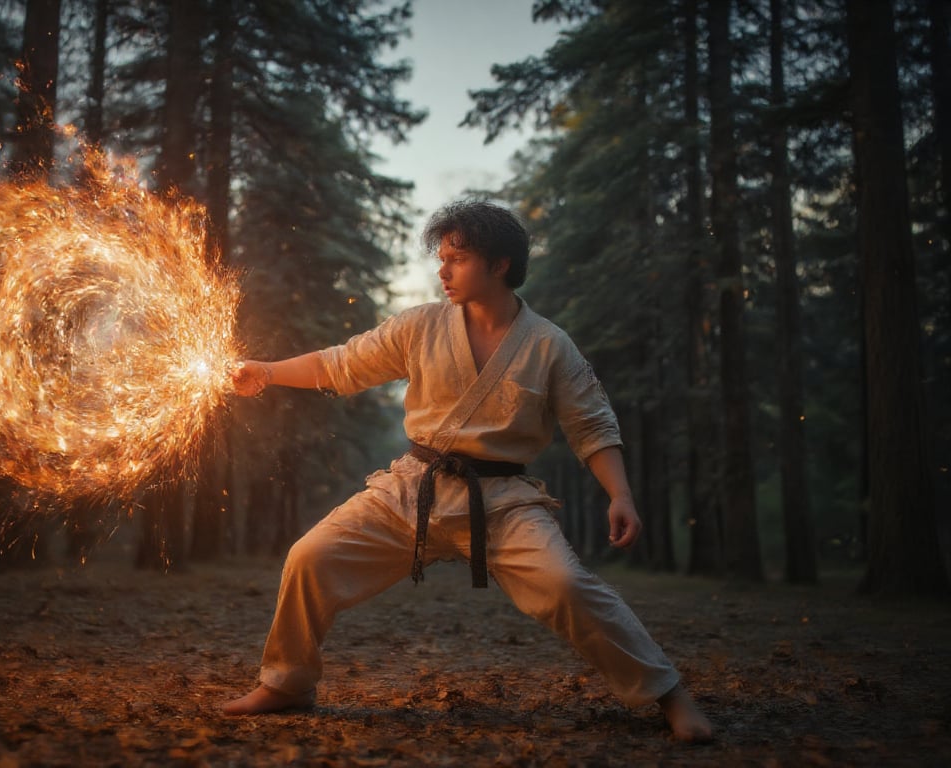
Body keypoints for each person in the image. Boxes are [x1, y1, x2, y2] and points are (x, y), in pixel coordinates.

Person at [223, 200, 714, 742]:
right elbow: (338, 364)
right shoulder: (420, 326)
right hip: (412, 487)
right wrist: (266, 371)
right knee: (309, 557)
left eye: (457, 258)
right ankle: (288, 682)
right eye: (441, 257)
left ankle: (669, 692)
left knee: (567, 585)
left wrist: (620, 494)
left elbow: (592, 426)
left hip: (503, 501)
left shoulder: (550, 345)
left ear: (499, 264)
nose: (443, 270)